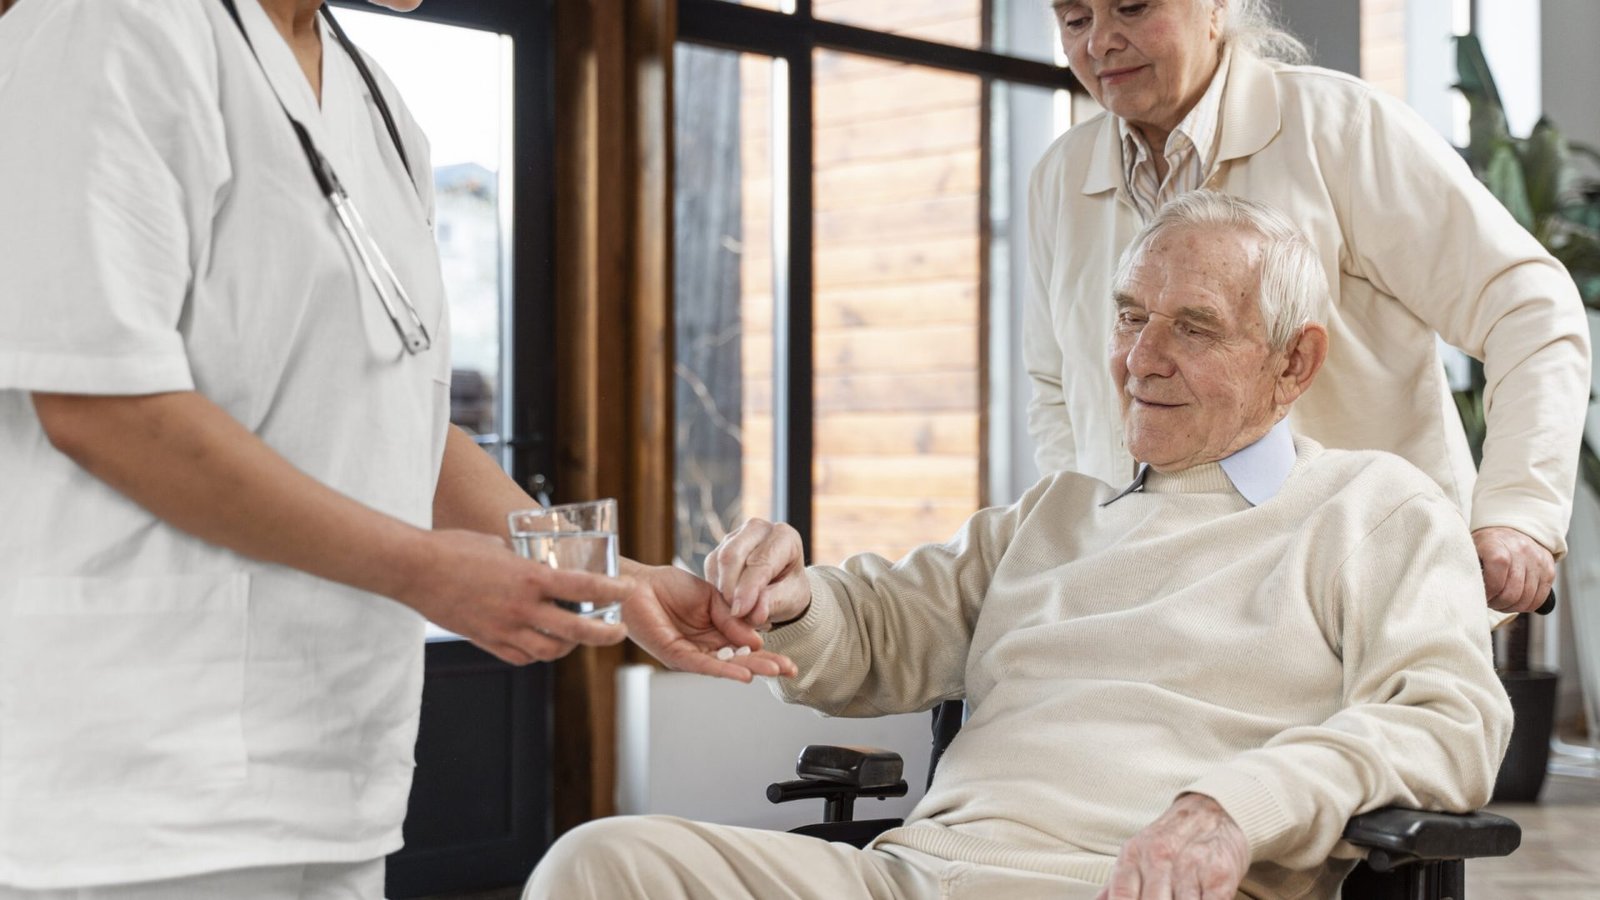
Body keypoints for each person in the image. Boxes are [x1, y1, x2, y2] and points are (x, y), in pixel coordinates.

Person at [0, 1, 783, 895]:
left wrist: (619, 583)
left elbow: (404, 418)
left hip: (335, 771)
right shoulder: (108, 28)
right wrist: (419, 568)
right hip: (134, 775)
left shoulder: (376, 105)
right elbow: (100, 404)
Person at [524, 193, 1513, 900]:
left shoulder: (1371, 509)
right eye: (1129, 317)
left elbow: (1448, 718)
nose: (1137, 359)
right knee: (600, 865)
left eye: (1193, 329)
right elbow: (880, 625)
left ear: (1294, 361)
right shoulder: (1052, 515)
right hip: (913, 876)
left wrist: (1230, 806)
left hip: (1125, 885)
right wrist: (789, 601)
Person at [1026, 0, 1591, 615]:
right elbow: (1056, 388)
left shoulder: (1342, 127)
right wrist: (1087, 541)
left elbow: (1528, 307)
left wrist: (1518, 514)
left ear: (1215, 8)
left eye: (1131, 8)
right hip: (1165, 607)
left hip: (1372, 594)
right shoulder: (1058, 176)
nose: (1101, 41)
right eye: (1075, 19)